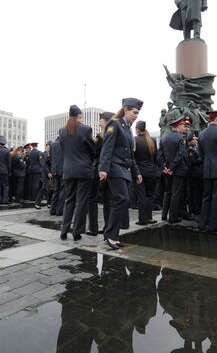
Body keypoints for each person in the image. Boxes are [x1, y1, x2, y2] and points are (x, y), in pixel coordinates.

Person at [99, 98, 143, 250]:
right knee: (122, 199)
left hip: (126, 169)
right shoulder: (114, 124)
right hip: (115, 168)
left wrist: (137, 172)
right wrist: (103, 168)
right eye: (134, 112)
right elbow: (107, 147)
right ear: (126, 110)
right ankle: (110, 235)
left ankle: (113, 236)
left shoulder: (128, 128)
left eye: (138, 113)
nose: (136, 115)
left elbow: (131, 154)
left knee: (122, 201)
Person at [59, 105, 96, 240]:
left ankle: (64, 230)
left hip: (68, 170)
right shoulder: (85, 129)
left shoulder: (62, 131)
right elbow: (93, 150)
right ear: (80, 115)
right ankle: (76, 231)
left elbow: (64, 150)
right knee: (81, 201)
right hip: (83, 170)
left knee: (69, 200)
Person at [159, 114, 192, 223]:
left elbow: (160, 155)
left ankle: (164, 215)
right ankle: (172, 217)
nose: (184, 128)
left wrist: (164, 167)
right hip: (177, 170)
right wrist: (172, 168)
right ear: (178, 126)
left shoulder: (163, 138)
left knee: (168, 192)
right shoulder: (181, 138)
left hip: (167, 170)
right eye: (183, 125)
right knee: (176, 194)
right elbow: (180, 154)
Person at [134, 120, 161, 226]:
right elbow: (155, 158)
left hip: (139, 172)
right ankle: (149, 218)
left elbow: (133, 158)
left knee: (141, 195)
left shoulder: (135, 140)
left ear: (137, 129)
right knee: (150, 195)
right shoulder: (152, 140)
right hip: (151, 171)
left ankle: (142, 219)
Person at [49, 137, 65, 216]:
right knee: (62, 190)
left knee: (56, 190)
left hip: (54, 169)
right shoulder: (64, 143)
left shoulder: (52, 145)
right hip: (62, 169)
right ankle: (59, 211)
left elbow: (51, 157)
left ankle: (52, 210)